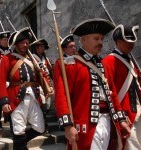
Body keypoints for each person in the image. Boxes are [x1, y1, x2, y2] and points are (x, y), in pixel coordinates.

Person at [53, 18, 130, 150]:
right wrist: (67, 126)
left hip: (108, 122)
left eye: (101, 39)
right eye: (96, 39)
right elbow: (62, 96)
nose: (100, 42)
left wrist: (121, 119)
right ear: (84, 39)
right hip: (86, 125)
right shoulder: (69, 64)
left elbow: (113, 94)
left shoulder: (103, 64)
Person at [0, 27, 48, 150]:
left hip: (34, 97)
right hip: (16, 97)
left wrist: (46, 86)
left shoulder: (32, 59)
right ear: (16, 44)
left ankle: (20, 144)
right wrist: (4, 101)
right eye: (22, 43)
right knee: (18, 131)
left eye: (27, 43)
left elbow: (39, 77)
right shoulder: (8, 58)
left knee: (40, 128)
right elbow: (0, 80)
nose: (25, 45)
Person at [103, 24, 141, 150]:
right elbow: (110, 92)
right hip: (126, 115)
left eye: (133, 42)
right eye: (127, 42)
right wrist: (120, 118)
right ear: (119, 42)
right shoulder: (109, 62)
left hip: (139, 113)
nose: (131, 45)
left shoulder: (130, 60)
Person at [30, 38, 53, 137]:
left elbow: (50, 72)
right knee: (43, 107)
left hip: (48, 86)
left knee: (47, 107)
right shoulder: (33, 58)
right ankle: (44, 128)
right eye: (41, 47)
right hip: (39, 86)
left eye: (43, 47)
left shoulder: (45, 59)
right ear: (37, 48)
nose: (43, 49)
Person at [0, 31, 11, 130]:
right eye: (4, 40)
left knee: (9, 101)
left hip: (9, 82)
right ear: (0, 41)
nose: (6, 41)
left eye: (8, 40)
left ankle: (8, 119)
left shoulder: (11, 52)